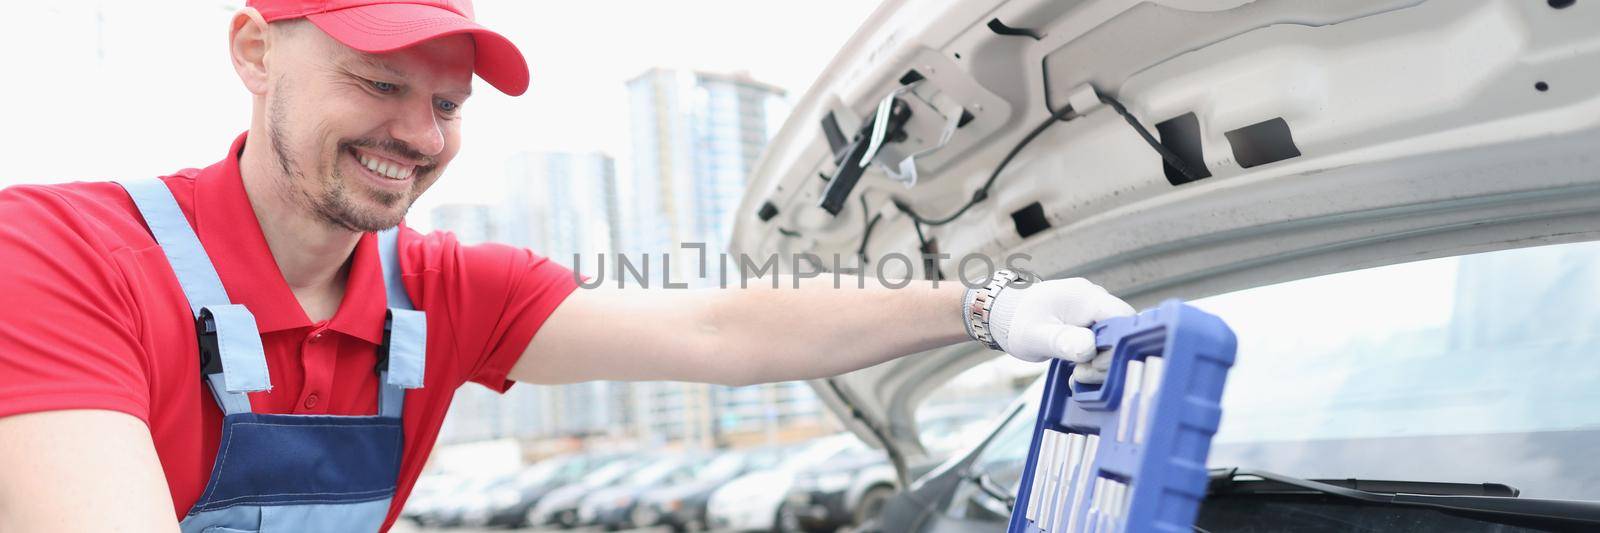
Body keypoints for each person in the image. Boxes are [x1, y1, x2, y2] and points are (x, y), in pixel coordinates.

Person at [0, 1, 1134, 531]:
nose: (420, 133)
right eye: (378, 82)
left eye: (447, 103)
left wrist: (986, 304)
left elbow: (716, 330)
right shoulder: (60, 254)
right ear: (255, 50)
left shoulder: (439, 294)